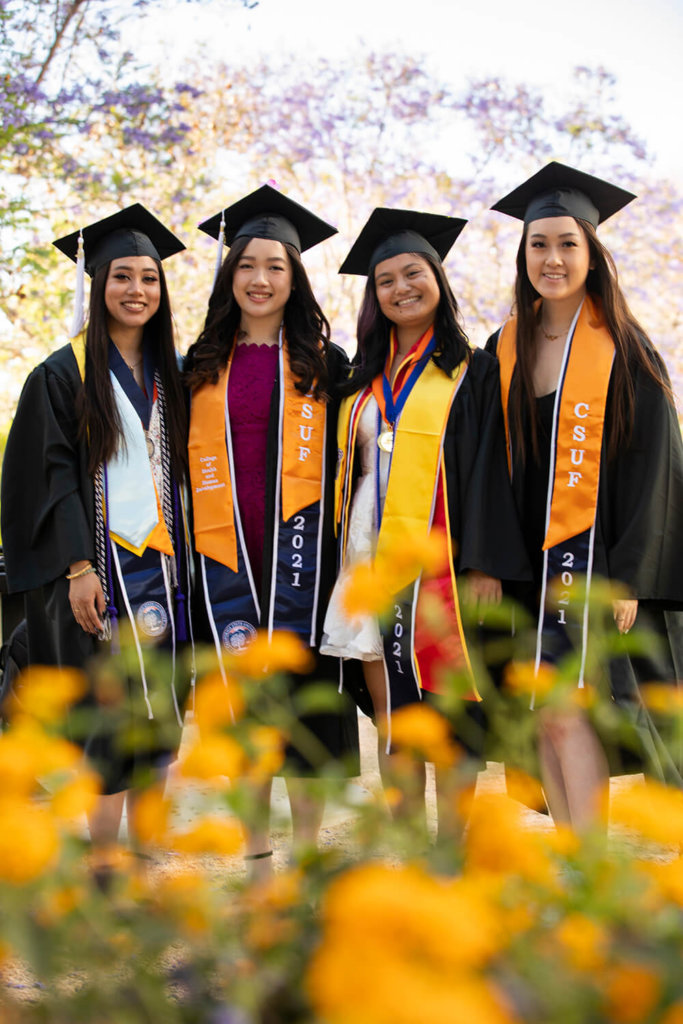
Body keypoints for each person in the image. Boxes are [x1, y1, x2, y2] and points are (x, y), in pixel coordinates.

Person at [320, 208, 530, 835]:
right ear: (373, 295)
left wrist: (484, 561)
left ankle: (453, 852)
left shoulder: (473, 369)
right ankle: (413, 851)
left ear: (438, 279)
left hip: (442, 565)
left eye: (414, 273)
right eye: (385, 280)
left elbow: (493, 467)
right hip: (369, 562)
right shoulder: (358, 379)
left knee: (450, 711)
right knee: (395, 720)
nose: (401, 288)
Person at [487, 162, 683, 829]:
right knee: (543, 713)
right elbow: (484, 465)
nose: (552, 258)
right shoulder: (503, 348)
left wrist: (629, 574)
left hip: (596, 568)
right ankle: (575, 859)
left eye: (567, 244)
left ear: (592, 255)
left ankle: (588, 857)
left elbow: (655, 465)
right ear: (522, 255)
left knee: (571, 712)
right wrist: (487, 559)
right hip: (527, 570)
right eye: (538, 244)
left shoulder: (624, 348)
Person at [1, 205, 193, 859]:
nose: (137, 290)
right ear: (99, 285)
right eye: (122, 277)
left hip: (167, 576)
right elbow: (48, 476)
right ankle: (105, 859)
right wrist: (77, 568)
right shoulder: (62, 374)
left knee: (160, 712)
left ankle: (144, 856)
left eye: (148, 278)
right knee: (111, 719)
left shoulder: (171, 376)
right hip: (103, 575)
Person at [184, 185, 359, 875]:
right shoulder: (198, 364)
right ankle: (257, 856)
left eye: (275, 266)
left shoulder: (325, 361)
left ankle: (310, 857)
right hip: (223, 562)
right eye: (246, 265)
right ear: (229, 276)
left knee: (306, 707)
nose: (259, 279)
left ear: (295, 277)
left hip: (304, 563)